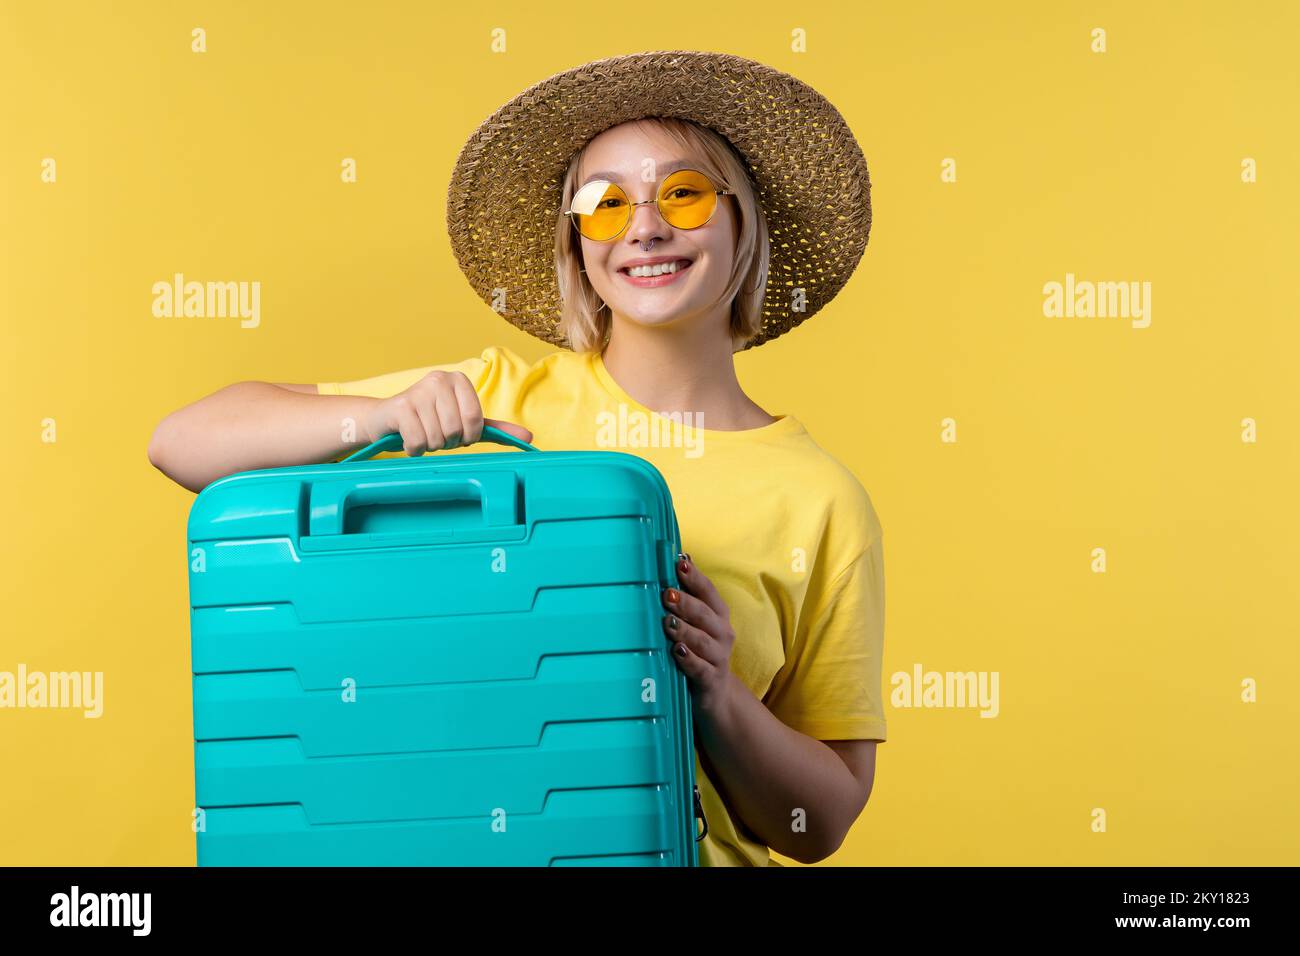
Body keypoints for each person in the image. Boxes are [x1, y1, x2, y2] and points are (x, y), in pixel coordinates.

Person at [149, 50, 886, 867]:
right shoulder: (494, 405)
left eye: (683, 194)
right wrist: (381, 417)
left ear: (741, 222)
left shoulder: (819, 499)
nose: (644, 227)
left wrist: (718, 691)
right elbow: (182, 442)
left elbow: (818, 825)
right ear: (577, 246)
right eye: (605, 204)